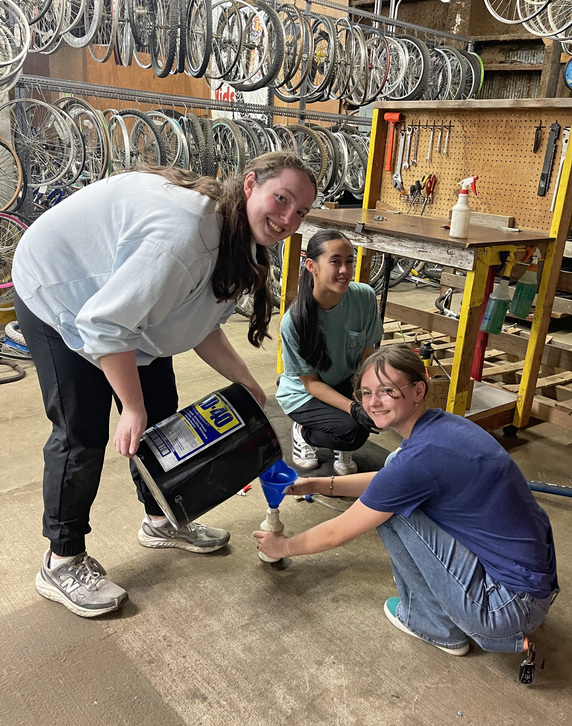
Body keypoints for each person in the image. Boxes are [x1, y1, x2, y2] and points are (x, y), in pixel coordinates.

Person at [12, 152, 317, 618]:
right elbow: (105, 325)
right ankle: (62, 558)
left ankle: (160, 520)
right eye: (282, 199)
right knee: (82, 435)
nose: (288, 219)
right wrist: (130, 406)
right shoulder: (185, 238)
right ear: (250, 184)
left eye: (301, 212)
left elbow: (202, 326)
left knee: (163, 420)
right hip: (58, 290)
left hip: (117, 311)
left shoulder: (242, 238)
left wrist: (245, 379)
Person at [255, 344, 558, 657]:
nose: (374, 402)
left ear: (418, 390)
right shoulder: (442, 428)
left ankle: (435, 624)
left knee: (393, 511)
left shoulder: (418, 461)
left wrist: (282, 547)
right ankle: (453, 617)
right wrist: (320, 484)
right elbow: (392, 481)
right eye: (366, 392)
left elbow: (337, 532)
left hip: (504, 608)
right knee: (391, 483)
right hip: (529, 588)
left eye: (387, 390)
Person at [276, 229, 383, 476]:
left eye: (349, 261)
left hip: (344, 380)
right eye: (335, 261)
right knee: (353, 432)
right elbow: (311, 383)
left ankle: (336, 427)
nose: (344, 270)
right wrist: (354, 408)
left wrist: (369, 395)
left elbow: (367, 357)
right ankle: (304, 431)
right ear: (311, 266)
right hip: (305, 392)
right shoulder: (294, 322)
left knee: (373, 414)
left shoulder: (364, 297)